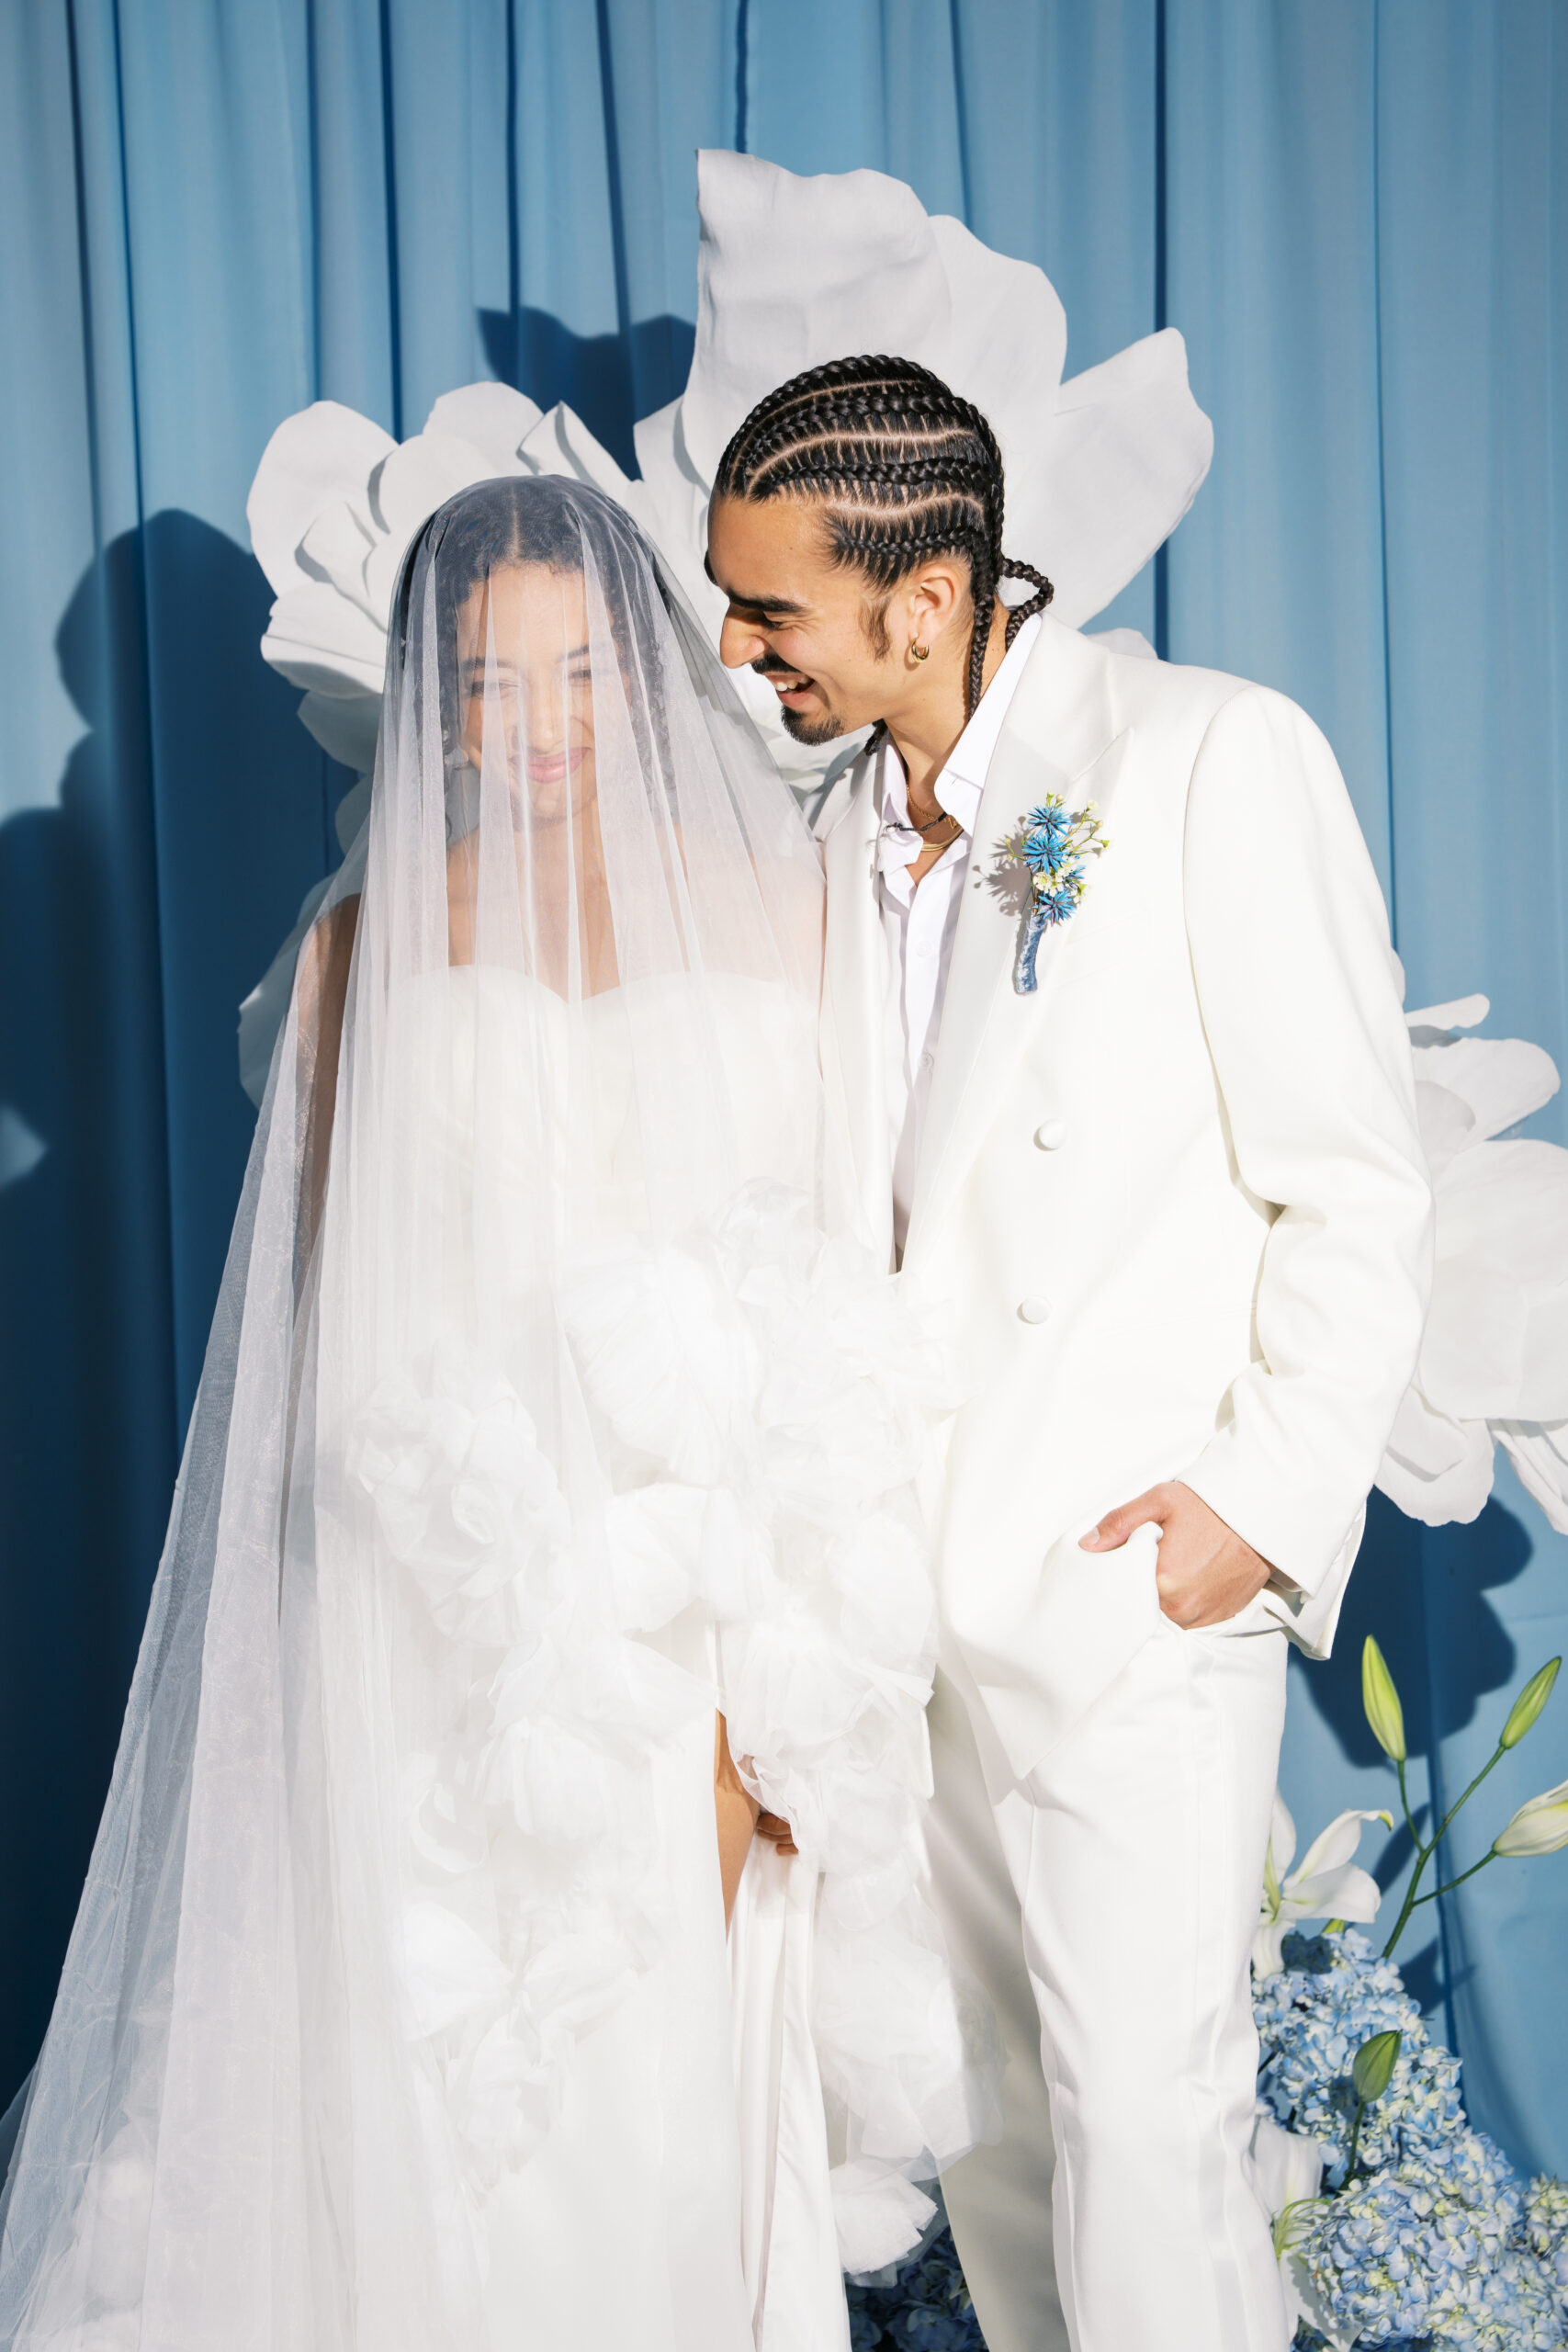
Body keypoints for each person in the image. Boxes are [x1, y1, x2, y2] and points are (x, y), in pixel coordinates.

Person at [0, 477, 990, 2350]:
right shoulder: (359, 952)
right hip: (445, 1622)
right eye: (481, 680)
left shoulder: (791, 906)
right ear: (428, 694)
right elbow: (311, 1345)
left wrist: (793, 1673)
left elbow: (851, 1273)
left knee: (673, 2099)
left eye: (568, 674)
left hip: (706, 1603)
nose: (530, 726)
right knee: (456, 2106)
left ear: (637, 668)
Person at [706, 355, 1434, 2352]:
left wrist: (1254, 1507)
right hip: (902, 1631)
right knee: (1001, 2148)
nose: (735, 643)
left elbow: (1355, 1185)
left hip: (1119, 1593)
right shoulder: (831, 835)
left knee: (1144, 2134)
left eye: (769, 606)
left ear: (919, 600)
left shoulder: (1201, 755)